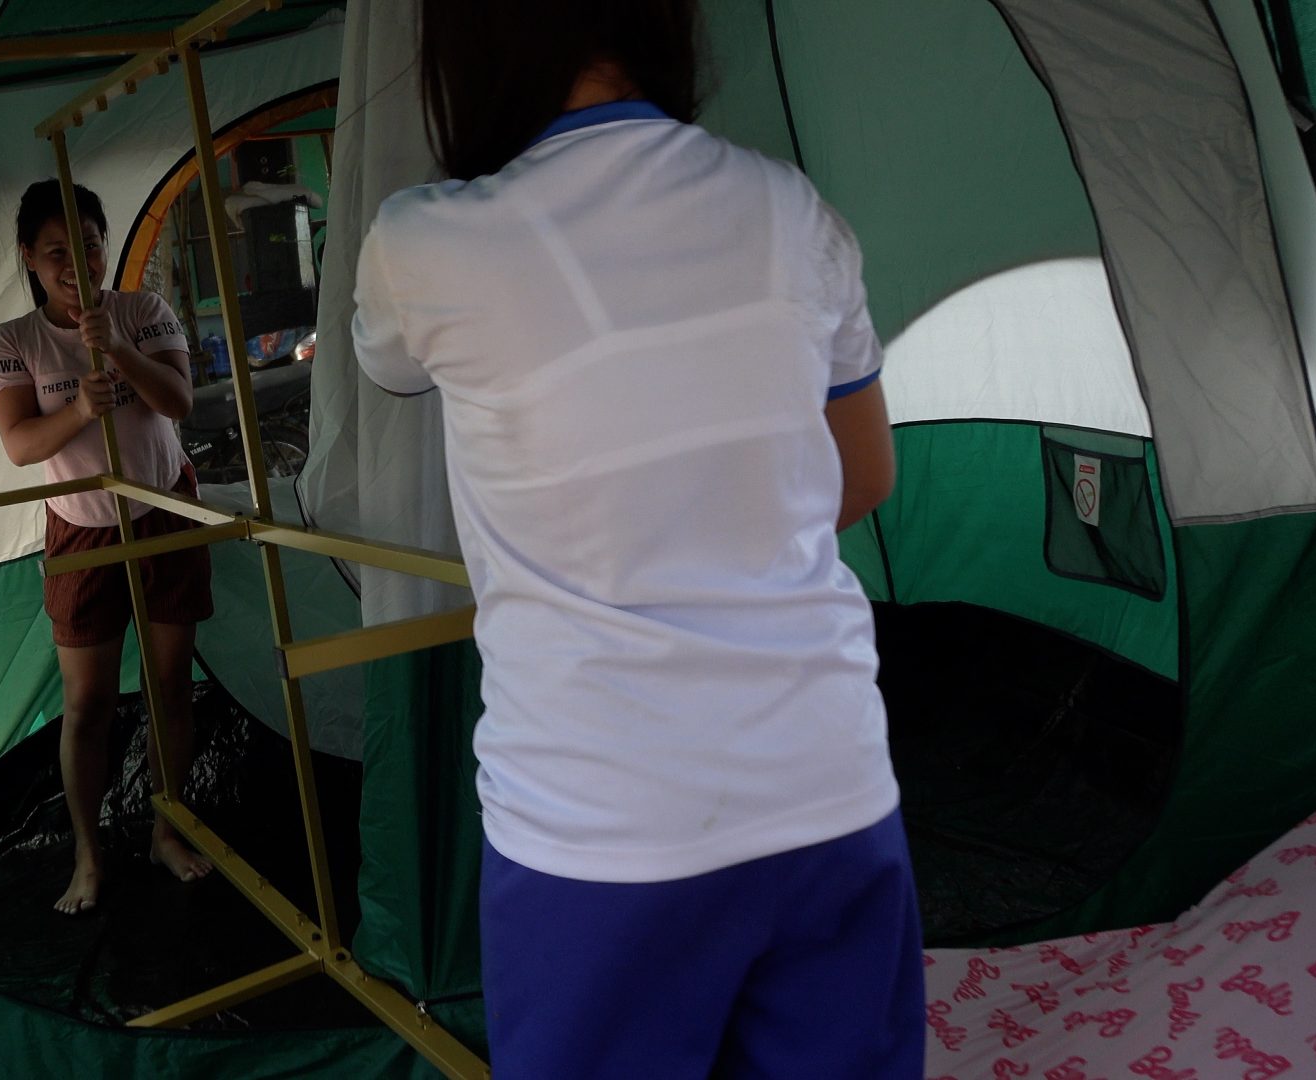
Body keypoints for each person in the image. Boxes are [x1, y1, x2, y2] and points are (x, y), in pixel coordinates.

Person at [351, 2, 921, 1076]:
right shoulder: (792, 211)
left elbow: (387, 366)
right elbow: (865, 476)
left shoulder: (423, 244)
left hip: (601, 830)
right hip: (827, 784)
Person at [0, 180, 214, 915]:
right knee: (88, 704)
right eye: (57, 252)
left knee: (169, 685)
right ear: (29, 257)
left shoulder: (142, 311)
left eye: (88, 245)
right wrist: (82, 406)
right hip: (82, 527)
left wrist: (116, 348)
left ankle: (166, 828)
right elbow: (20, 444)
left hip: (162, 509)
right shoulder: (15, 341)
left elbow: (178, 402)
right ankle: (88, 855)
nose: (77, 264)